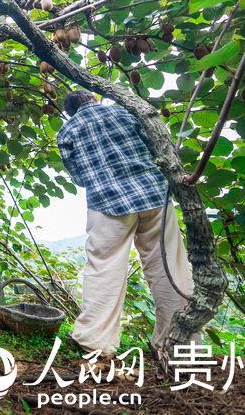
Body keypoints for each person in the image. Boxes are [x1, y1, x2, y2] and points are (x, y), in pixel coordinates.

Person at [57, 90, 195, 357]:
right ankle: (178, 345)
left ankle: (95, 342)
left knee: (104, 269)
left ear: (71, 111)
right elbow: (158, 146)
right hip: (154, 195)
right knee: (169, 269)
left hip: (108, 204)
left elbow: (79, 178)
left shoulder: (66, 131)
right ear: (94, 99)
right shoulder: (125, 112)